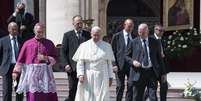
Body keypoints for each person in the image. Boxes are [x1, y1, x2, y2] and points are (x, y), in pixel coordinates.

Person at [12, 23, 58, 101]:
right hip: (32, 76)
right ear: (34, 31)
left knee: (45, 96)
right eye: (38, 31)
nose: (39, 33)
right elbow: (21, 59)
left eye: (41, 32)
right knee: (32, 96)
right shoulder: (27, 43)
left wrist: (45, 58)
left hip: (45, 75)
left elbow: (55, 59)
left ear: (43, 31)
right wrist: (16, 72)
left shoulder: (49, 43)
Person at [72, 26, 115, 101]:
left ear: (101, 35)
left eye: (98, 35)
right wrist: (80, 74)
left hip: (102, 74)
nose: (96, 37)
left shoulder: (107, 46)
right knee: (88, 95)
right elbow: (80, 62)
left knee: (101, 95)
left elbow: (109, 63)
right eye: (94, 35)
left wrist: (110, 77)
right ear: (91, 34)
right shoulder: (84, 46)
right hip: (88, 74)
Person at [126, 23, 166, 101]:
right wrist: (133, 61)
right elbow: (126, 56)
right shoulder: (133, 42)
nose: (141, 34)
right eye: (140, 32)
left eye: (143, 32)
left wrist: (163, 73)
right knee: (137, 97)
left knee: (153, 97)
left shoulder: (154, 42)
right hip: (138, 73)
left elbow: (160, 59)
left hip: (151, 73)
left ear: (147, 31)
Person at [61, 15, 91, 101]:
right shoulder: (67, 35)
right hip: (72, 68)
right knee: (72, 89)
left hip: (85, 68)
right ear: (73, 24)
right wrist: (66, 64)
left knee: (85, 90)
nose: (80, 25)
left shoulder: (87, 35)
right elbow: (63, 51)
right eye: (77, 23)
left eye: (81, 23)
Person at [111, 19, 136, 101]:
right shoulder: (117, 36)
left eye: (132, 26)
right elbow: (112, 52)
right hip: (119, 65)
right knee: (120, 86)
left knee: (131, 85)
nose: (130, 28)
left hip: (131, 66)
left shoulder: (135, 37)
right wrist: (114, 65)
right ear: (124, 25)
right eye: (129, 26)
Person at [0, 22, 23, 101]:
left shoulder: (21, 40)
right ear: (9, 29)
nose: (15, 31)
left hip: (19, 68)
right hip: (7, 69)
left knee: (19, 91)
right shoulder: (3, 41)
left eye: (16, 29)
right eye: (13, 29)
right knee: (7, 91)